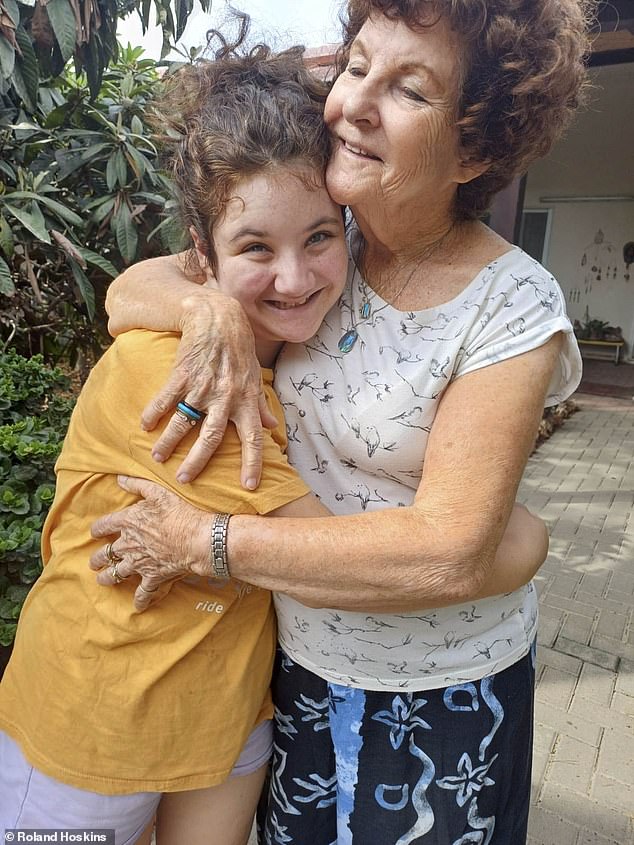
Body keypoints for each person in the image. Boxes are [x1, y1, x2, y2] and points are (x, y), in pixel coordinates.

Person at [90, 1, 591, 842]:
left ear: (473, 147)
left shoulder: (509, 308)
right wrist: (206, 308)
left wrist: (206, 542)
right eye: (357, 66)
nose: (354, 102)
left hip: (439, 696)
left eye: (409, 90)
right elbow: (129, 289)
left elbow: (449, 551)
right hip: (301, 669)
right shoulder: (326, 236)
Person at [0, 42, 352, 845]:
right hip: (94, 721)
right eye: (256, 248)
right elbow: (327, 557)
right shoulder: (182, 373)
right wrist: (499, 539)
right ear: (204, 248)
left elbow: (135, 287)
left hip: (222, 718)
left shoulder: (270, 342)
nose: (295, 280)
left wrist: (213, 303)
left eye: (320, 238)